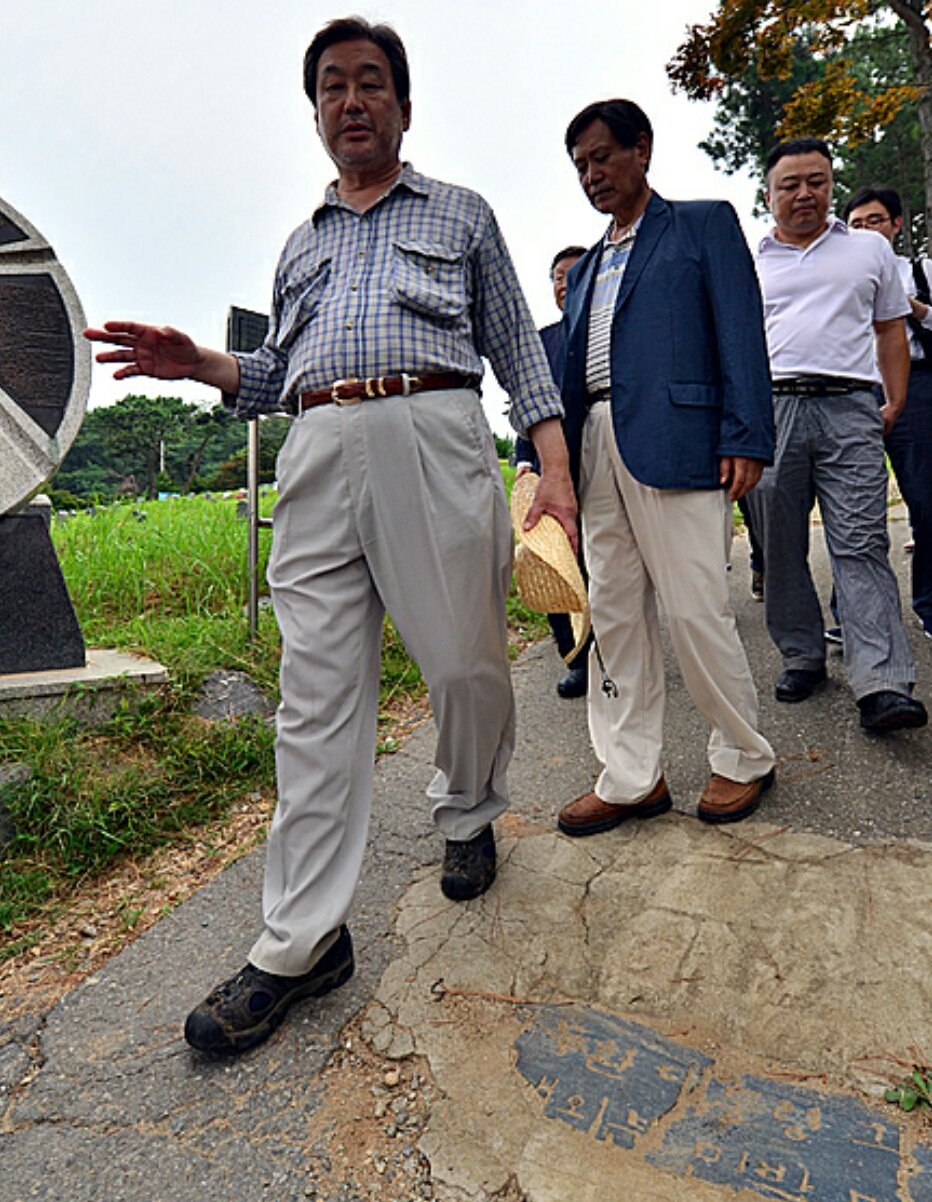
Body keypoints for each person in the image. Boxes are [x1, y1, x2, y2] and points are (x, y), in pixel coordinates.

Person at [85, 16, 576, 1056]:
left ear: (404, 105)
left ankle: (467, 809)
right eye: (331, 87)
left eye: (369, 82)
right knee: (312, 702)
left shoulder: (461, 212)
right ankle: (300, 942)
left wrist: (556, 473)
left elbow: (516, 350)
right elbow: (277, 375)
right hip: (314, 453)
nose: (350, 100)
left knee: (465, 668)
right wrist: (200, 364)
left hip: (433, 433)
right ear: (314, 113)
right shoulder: (299, 242)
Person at [555, 98, 777, 832]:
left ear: (641, 149)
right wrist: (548, 460)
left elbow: (740, 330)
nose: (592, 174)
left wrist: (746, 435)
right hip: (596, 445)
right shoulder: (587, 265)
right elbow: (566, 371)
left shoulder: (702, 225)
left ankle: (742, 756)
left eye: (602, 157)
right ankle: (630, 776)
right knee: (614, 615)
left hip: (681, 439)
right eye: (580, 166)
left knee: (694, 609)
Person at [752, 138, 928, 732]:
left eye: (817, 181)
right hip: (773, 409)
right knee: (780, 546)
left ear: (831, 184)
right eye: (790, 184)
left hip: (850, 405)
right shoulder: (751, 259)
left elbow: (889, 328)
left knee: (861, 542)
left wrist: (894, 400)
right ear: (769, 194)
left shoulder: (868, 248)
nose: (805, 193)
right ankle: (801, 655)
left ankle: (882, 682)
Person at [842, 185, 932, 641]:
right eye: (856, 224)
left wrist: (914, 308)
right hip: (854, 387)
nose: (866, 230)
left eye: (875, 220)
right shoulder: (839, 277)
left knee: (928, 498)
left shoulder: (919, 270)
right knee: (851, 505)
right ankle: (849, 611)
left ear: (896, 224)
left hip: (917, 386)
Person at [514, 245, 592, 698]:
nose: (565, 283)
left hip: (605, 464)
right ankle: (575, 657)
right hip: (551, 473)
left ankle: (614, 652)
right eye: (558, 277)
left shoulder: (612, 334)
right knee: (556, 563)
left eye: (574, 274)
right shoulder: (541, 342)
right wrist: (525, 458)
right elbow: (527, 403)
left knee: (606, 565)